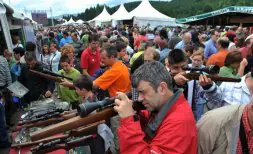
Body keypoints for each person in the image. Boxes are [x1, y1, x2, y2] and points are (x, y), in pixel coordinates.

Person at [114, 61, 197, 153]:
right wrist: (136, 115)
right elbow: (155, 122)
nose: (139, 99)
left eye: (143, 92)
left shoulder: (179, 121)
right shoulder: (163, 106)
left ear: (162, 88)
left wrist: (129, 120)